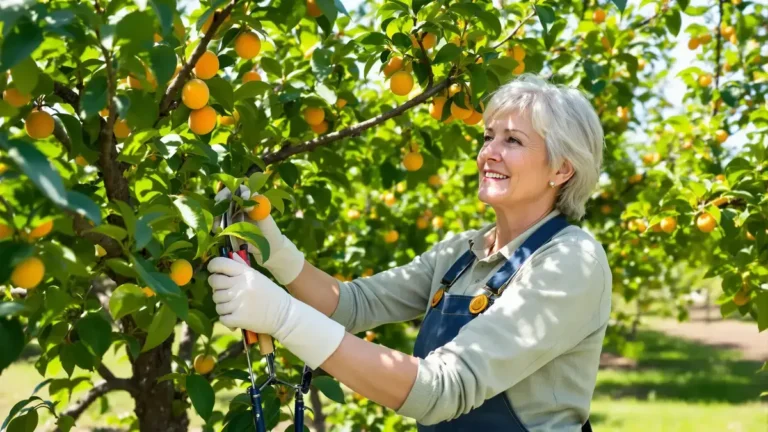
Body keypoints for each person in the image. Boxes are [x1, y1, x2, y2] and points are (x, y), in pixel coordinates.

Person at [207, 74, 611, 431]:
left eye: (513, 141)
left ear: (561, 170)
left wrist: (283, 317)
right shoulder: (463, 253)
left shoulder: (569, 262)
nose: (489, 152)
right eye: (489, 136)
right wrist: (275, 250)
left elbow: (443, 389)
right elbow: (351, 305)